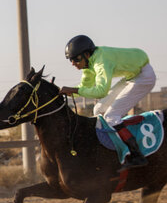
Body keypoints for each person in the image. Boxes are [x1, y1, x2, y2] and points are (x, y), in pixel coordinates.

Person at [58, 35, 157, 168]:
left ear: (87, 54)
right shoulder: (89, 64)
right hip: (132, 76)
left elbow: (101, 91)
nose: (73, 63)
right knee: (98, 110)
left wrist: (74, 90)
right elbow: (83, 88)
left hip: (144, 77)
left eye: (76, 59)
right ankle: (112, 149)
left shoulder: (101, 62)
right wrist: (62, 93)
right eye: (71, 60)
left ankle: (136, 154)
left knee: (111, 116)